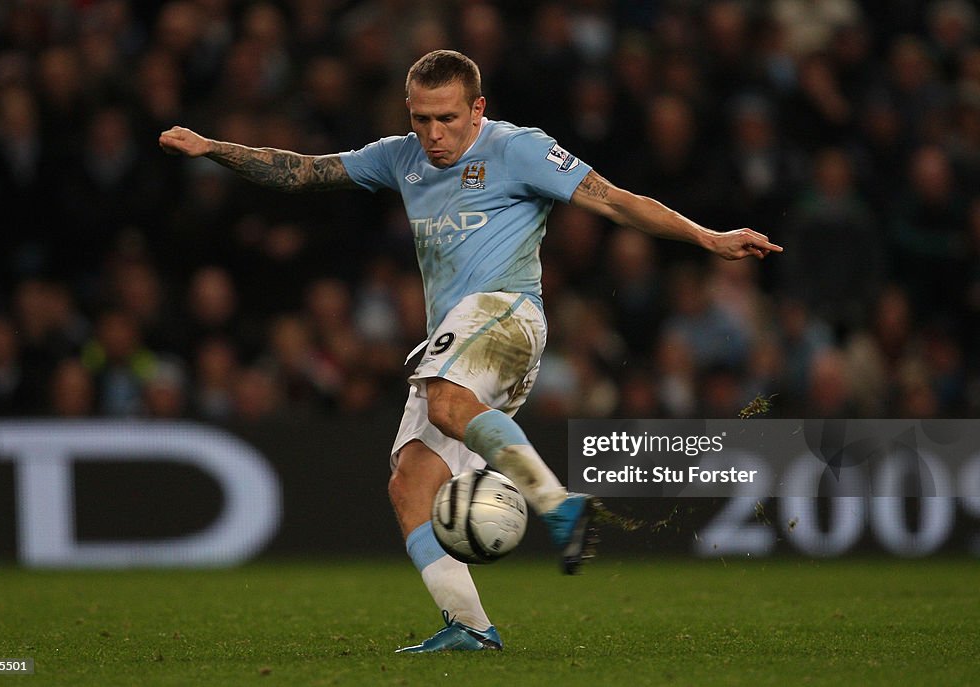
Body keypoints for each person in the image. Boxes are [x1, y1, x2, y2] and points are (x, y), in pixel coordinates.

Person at [159, 49, 782, 653]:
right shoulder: (399, 158)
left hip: (507, 313)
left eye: (448, 118)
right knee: (409, 485)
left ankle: (558, 505)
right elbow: (302, 170)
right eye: (420, 118)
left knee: (445, 399)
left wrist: (709, 237)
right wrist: (214, 149)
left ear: (478, 108)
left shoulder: (518, 148)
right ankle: (472, 626)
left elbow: (618, 201)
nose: (433, 133)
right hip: (452, 337)